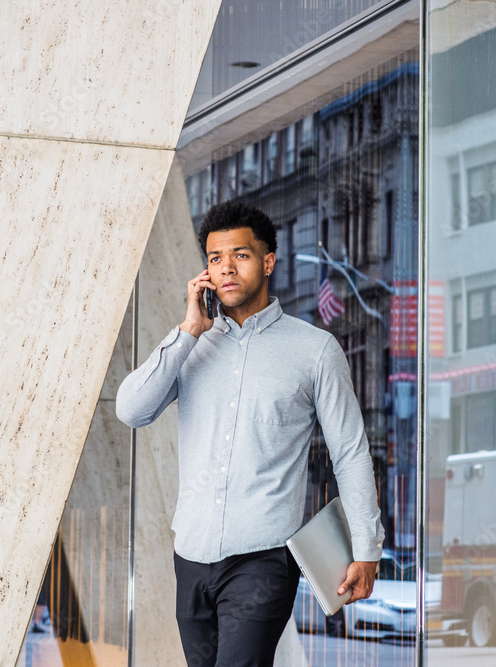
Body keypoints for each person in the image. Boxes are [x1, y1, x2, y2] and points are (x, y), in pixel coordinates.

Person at [116, 200, 384, 666]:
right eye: (215, 259)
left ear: (267, 261)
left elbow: (351, 452)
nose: (226, 268)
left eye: (239, 255)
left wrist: (367, 549)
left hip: (262, 558)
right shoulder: (191, 346)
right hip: (191, 554)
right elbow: (131, 411)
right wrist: (187, 332)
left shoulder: (314, 350)